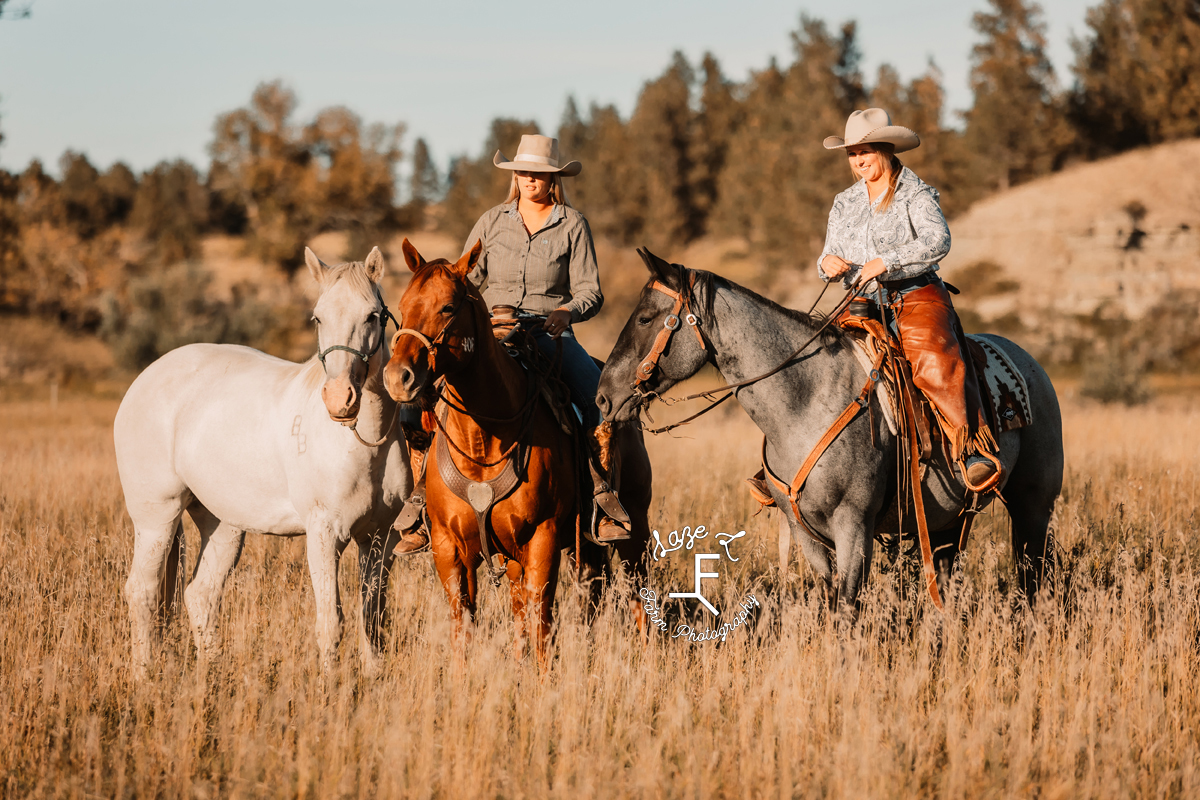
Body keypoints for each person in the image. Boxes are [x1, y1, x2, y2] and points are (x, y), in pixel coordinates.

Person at [392, 134, 630, 555]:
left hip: (550, 334)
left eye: (538, 174)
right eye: (523, 173)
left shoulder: (571, 223)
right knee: (425, 404)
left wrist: (567, 312)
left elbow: (591, 292)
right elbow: (463, 280)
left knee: (598, 400)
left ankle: (600, 499)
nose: (529, 180)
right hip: (493, 331)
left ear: (553, 178)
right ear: (514, 176)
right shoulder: (491, 221)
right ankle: (419, 502)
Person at [817, 108, 1001, 491]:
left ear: (885, 149)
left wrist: (888, 261)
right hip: (858, 300)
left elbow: (939, 240)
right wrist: (826, 262)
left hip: (914, 293)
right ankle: (792, 465)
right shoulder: (843, 202)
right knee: (811, 360)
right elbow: (827, 253)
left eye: (865, 151)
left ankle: (970, 449)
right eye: (852, 154)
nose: (859, 160)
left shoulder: (914, 192)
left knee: (935, 360)